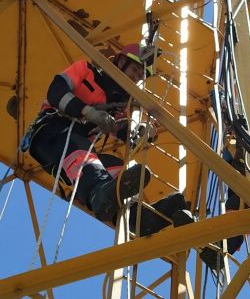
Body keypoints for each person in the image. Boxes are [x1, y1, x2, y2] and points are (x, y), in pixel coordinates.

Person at [27, 43, 222, 270]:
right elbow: (56, 91)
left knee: (117, 170)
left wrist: (139, 134)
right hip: (51, 132)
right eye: (136, 69)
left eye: (141, 75)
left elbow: (122, 131)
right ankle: (99, 193)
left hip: (75, 149)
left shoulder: (120, 105)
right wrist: (87, 111)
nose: (138, 76)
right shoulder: (85, 70)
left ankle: (141, 217)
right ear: (120, 61)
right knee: (84, 155)